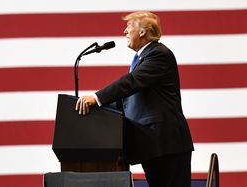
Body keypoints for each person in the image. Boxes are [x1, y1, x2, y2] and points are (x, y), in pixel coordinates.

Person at [75, 11, 194, 187]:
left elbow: (131, 82)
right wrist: (99, 107)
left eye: (129, 26)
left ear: (142, 31)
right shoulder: (142, 58)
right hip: (154, 145)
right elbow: (129, 98)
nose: (125, 31)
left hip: (166, 144)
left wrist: (97, 98)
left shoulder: (159, 54)